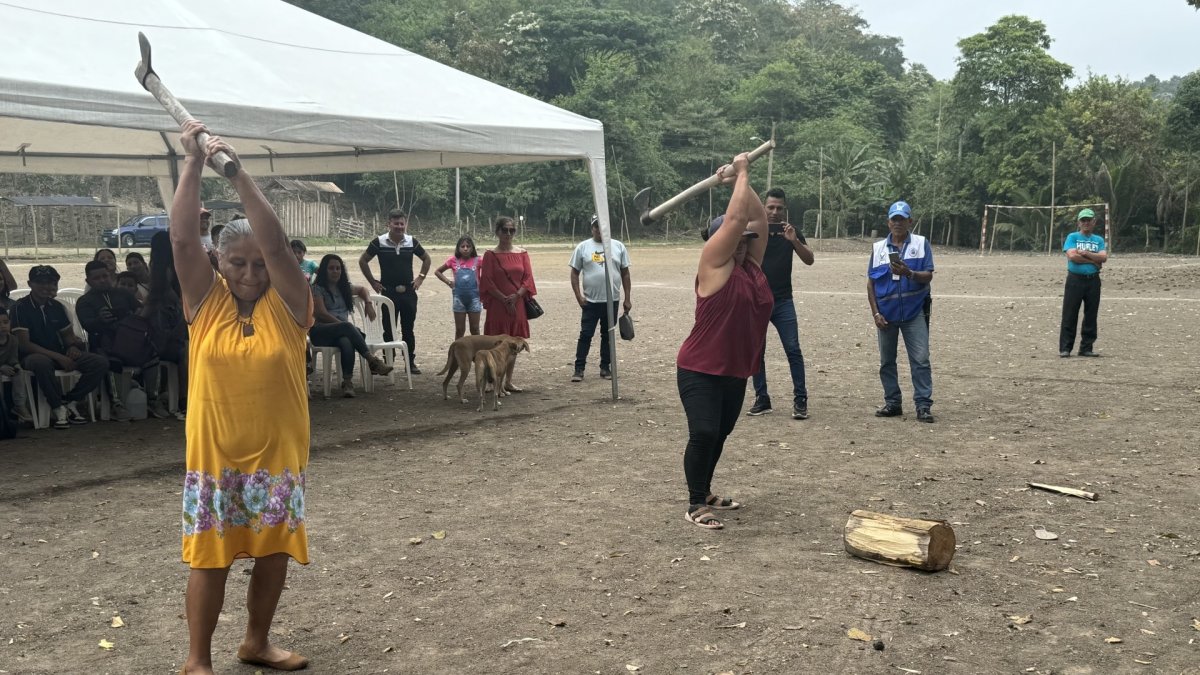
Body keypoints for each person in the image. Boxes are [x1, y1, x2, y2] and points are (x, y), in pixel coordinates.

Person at [171, 120, 313, 674]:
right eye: (237, 263)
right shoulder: (204, 304)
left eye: (259, 265)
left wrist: (237, 172)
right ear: (219, 262)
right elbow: (183, 240)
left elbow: (274, 243)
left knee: (273, 553)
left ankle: (256, 642)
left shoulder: (290, 303)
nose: (251, 273)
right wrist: (192, 161)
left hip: (277, 457)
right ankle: (197, 660)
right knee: (210, 559)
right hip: (215, 460)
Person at [676, 154, 773, 530]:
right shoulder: (713, 266)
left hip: (734, 370)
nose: (743, 243)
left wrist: (739, 181)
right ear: (720, 241)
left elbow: (757, 220)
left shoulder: (752, 267)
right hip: (699, 368)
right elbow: (735, 221)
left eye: (746, 241)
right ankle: (695, 503)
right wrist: (742, 171)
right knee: (703, 432)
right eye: (737, 240)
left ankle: (706, 489)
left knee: (720, 433)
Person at [10, 265, 108, 429]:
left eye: (50, 282)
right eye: (40, 282)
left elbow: (68, 337)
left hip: (59, 353)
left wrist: (73, 347)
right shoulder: (20, 307)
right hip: (31, 356)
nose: (46, 286)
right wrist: (59, 356)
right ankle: (57, 407)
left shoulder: (57, 306)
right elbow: (24, 344)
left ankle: (71, 400)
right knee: (41, 362)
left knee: (99, 362)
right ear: (30, 284)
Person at [746, 188, 814, 419]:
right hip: (757, 301)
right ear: (763, 207)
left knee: (793, 349)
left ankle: (800, 399)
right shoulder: (753, 231)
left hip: (783, 300)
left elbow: (809, 259)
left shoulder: (790, 231)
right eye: (770, 207)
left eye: (779, 208)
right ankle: (762, 398)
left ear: (785, 209)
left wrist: (794, 241)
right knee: (757, 351)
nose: (774, 212)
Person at [867, 200, 935, 423]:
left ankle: (923, 405)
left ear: (909, 221)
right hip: (886, 314)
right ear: (888, 222)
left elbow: (928, 275)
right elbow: (870, 284)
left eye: (902, 219)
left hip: (914, 313)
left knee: (921, 359)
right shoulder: (878, 248)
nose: (898, 223)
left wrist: (909, 273)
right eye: (894, 219)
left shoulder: (921, 243)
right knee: (887, 361)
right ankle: (893, 403)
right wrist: (875, 313)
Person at [358, 209, 431, 374]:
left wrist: (420, 278)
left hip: (408, 292)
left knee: (408, 329)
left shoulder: (411, 242)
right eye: (396, 223)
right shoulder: (379, 242)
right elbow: (363, 260)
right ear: (389, 224)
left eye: (401, 223)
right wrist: (373, 281)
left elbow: (427, 258)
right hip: (388, 292)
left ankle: (410, 363)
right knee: (389, 328)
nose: (399, 227)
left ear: (405, 224)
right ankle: (388, 362)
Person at [311, 254, 393, 397]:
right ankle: (372, 360)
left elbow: (363, 289)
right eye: (331, 268)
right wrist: (344, 326)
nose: (335, 271)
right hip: (321, 331)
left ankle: (347, 383)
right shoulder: (317, 289)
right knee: (348, 327)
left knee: (346, 341)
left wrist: (368, 303)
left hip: (342, 333)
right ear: (324, 270)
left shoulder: (344, 288)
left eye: (338, 268)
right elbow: (321, 314)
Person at [75, 260, 144, 422]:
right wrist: (100, 320)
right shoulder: (84, 301)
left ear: (110, 276)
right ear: (88, 281)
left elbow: (141, 310)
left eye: (105, 276)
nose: (102, 280)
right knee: (111, 360)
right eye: (96, 278)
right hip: (102, 344)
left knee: (153, 354)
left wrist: (133, 319)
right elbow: (88, 326)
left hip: (130, 341)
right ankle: (116, 403)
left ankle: (153, 399)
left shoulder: (123, 294)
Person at [569, 215, 631, 382]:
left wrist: (627, 298)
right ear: (592, 228)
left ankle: (605, 367)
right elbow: (574, 273)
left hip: (612, 301)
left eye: (602, 226)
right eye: (596, 226)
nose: (599, 229)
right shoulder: (583, 247)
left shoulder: (618, 246)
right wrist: (578, 296)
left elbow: (625, 274)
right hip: (590, 302)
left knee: (608, 336)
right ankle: (579, 369)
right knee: (586, 335)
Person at [145, 230, 187, 420]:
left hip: (162, 326)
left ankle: (175, 396)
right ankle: (184, 399)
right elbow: (171, 296)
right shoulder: (170, 266)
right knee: (184, 353)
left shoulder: (157, 266)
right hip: (168, 326)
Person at [480, 216, 537, 345]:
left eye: (512, 230)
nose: (508, 233)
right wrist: (505, 300)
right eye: (505, 230)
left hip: (517, 303)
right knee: (496, 343)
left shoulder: (522, 254)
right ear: (497, 232)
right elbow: (487, 281)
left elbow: (528, 278)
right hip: (497, 304)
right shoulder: (490, 255)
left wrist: (516, 296)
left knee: (515, 343)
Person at [1059, 208, 1107, 357]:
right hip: (1075, 279)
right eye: (1083, 220)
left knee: (1091, 314)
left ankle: (1086, 347)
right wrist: (1093, 261)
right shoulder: (1072, 237)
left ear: (1094, 222)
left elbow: (1103, 257)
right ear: (1079, 223)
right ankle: (1065, 348)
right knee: (1070, 314)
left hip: (1093, 281)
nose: (1086, 223)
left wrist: (1086, 253)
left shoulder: (1098, 240)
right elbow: (1073, 257)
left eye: (1088, 220)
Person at [434, 236, 484, 340]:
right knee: (460, 330)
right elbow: (438, 271)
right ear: (458, 248)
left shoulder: (478, 260)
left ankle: (477, 349)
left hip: (474, 299)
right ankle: (458, 349)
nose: (465, 249)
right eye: (462, 246)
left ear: (472, 248)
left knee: (475, 329)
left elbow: (490, 271)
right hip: (459, 299)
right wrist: (448, 282)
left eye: (468, 246)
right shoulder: (453, 260)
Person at [0, 307, 32, 424]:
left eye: (5, 322)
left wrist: (15, 366)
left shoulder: (13, 339)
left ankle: (20, 406)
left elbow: (13, 358)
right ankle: (2, 410)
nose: (3, 326)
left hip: (6, 366)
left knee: (19, 372)